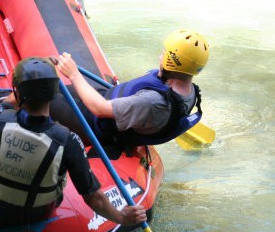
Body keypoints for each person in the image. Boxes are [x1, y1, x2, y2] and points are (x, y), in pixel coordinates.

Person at [0, 57, 146, 229]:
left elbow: (8, 102)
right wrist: (121, 217)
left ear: (18, 92)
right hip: (39, 212)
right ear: (54, 93)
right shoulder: (68, 141)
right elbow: (93, 197)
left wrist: (33, 75)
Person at [51, 29, 210, 149]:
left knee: (39, 95)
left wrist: (74, 74)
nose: (160, 57)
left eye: (164, 53)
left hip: (95, 123)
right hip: (108, 100)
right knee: (52, 86)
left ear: (171, 60)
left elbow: (99, 109)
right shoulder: (189, 91)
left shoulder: (152, 101)